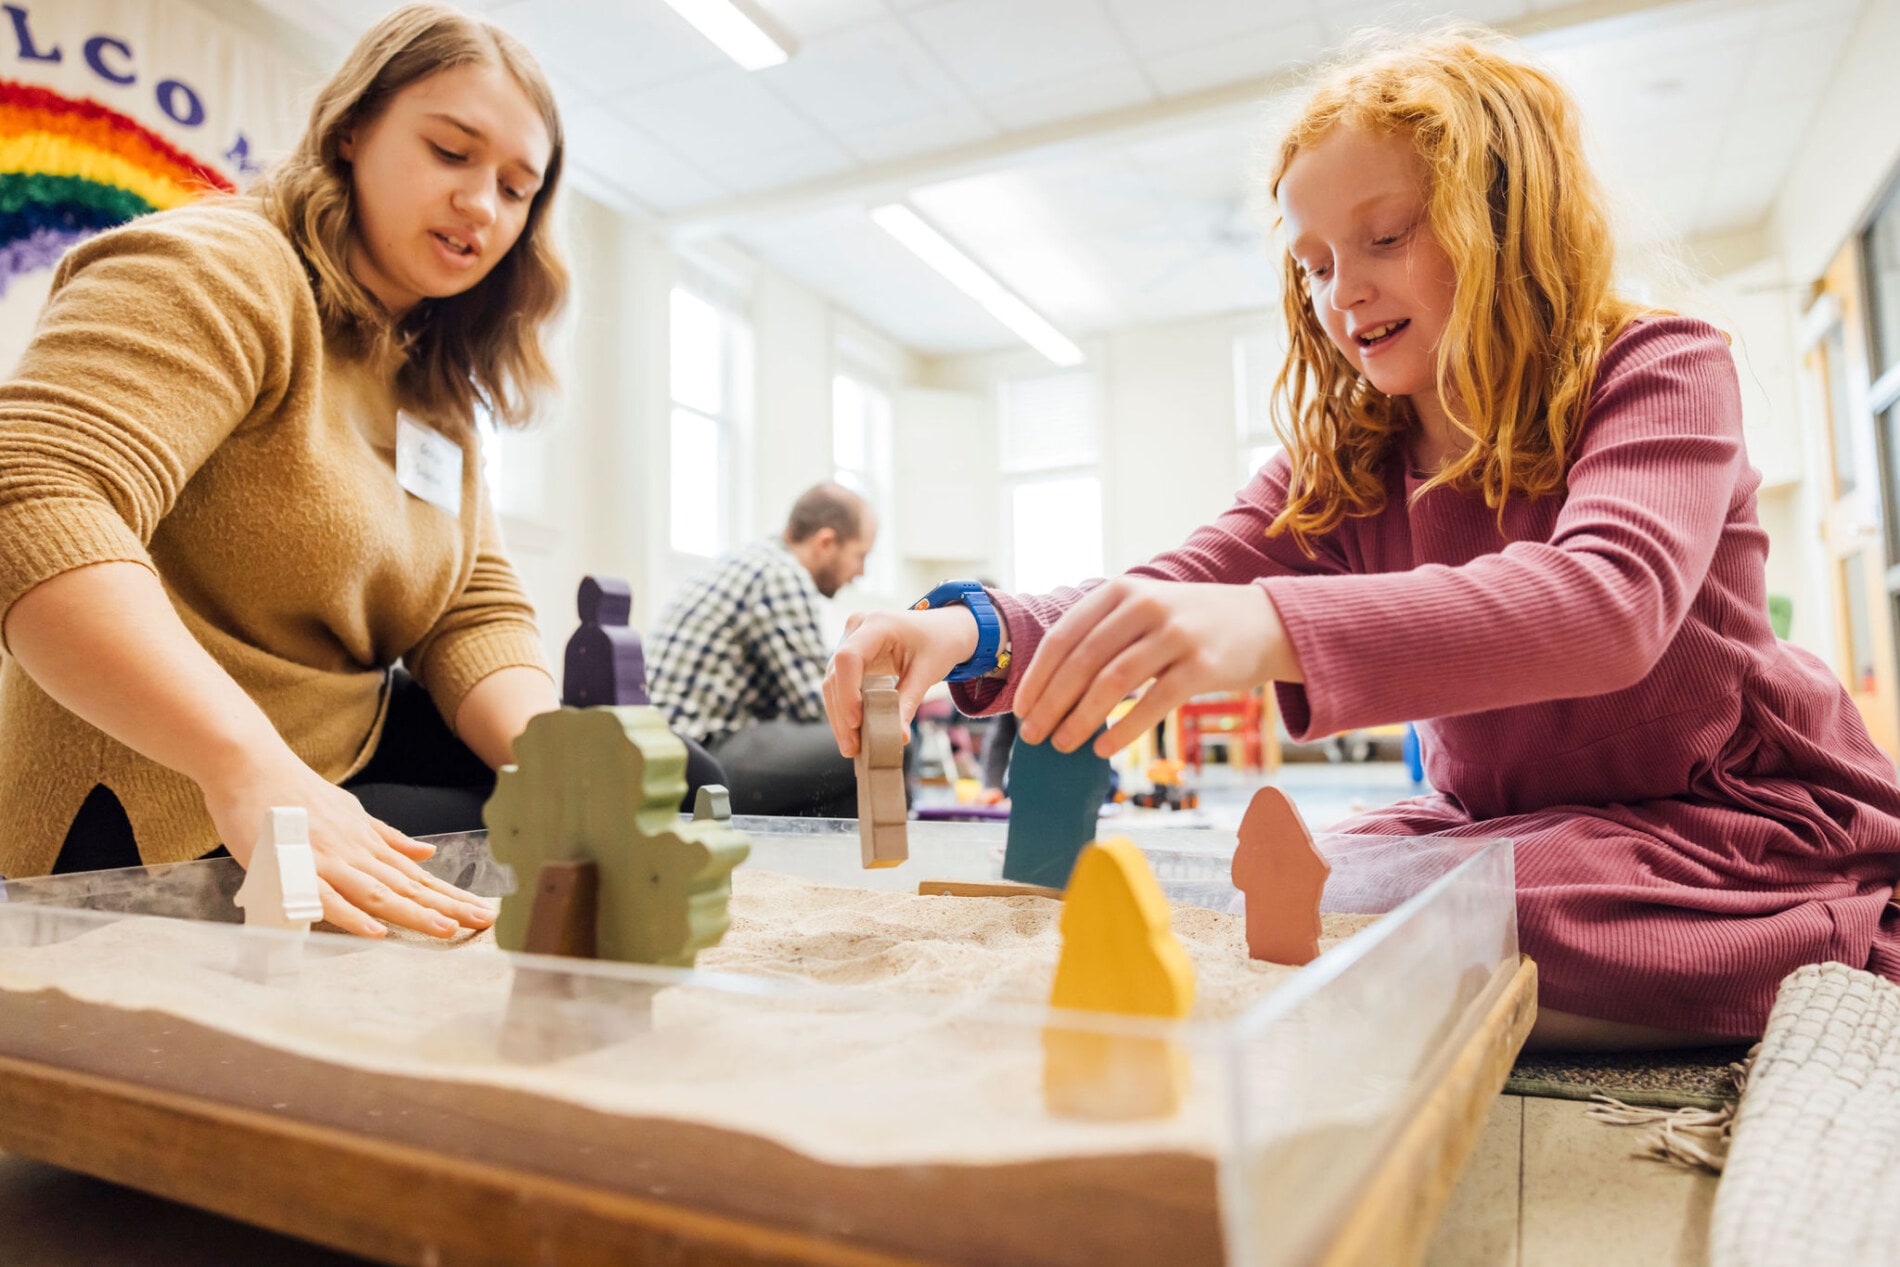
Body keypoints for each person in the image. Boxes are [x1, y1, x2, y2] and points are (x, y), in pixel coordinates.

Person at [822, 32, 1900, 1051]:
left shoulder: (1657, 368)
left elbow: (1606, 602)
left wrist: (1270, 623)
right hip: (1508, 827)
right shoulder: (1349, 455)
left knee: (1465, 908)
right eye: (1315, 264)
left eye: (1384, 238)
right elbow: (1178, 583)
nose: (1345, 292)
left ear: (1506, 221)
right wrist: (965, 630)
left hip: (1727, 825)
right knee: (1307, 880)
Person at [0, 5, 611, 939]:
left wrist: (549, 764)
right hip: (173, 781)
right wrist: (245, 761)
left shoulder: (434, 384)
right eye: (451, 151)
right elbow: (36, 493)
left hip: (334, 750)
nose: (484, 205)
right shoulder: (224, 268)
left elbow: (471, 613)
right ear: (352, 130)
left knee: (658, 790)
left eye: (517, 188)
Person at [648, 483, 878, 816]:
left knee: (851, 758)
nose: (861, 573)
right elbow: (821, 706)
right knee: (880, 742)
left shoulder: (751, 562)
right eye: (860, 556)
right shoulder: (780, 575)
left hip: (671, 749)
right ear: (826, 542)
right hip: (697, 757)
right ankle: (874, 862)